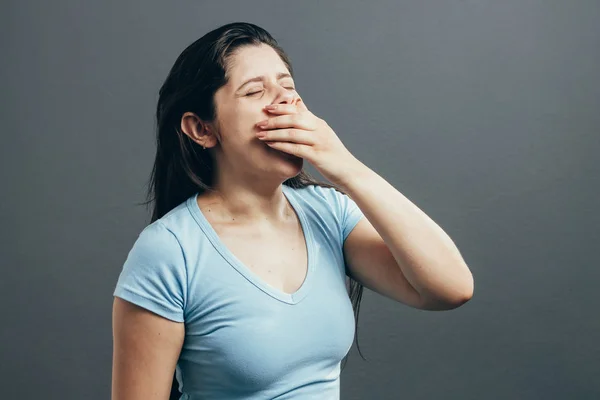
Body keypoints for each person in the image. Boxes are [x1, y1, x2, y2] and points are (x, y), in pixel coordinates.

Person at [111, 22, 474, 400]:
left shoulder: (329, 213)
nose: (286, 101)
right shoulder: (170, 251)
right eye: (255, 91)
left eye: (288, 86)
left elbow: (451, 288)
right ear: (201, 129)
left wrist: (347, 168)